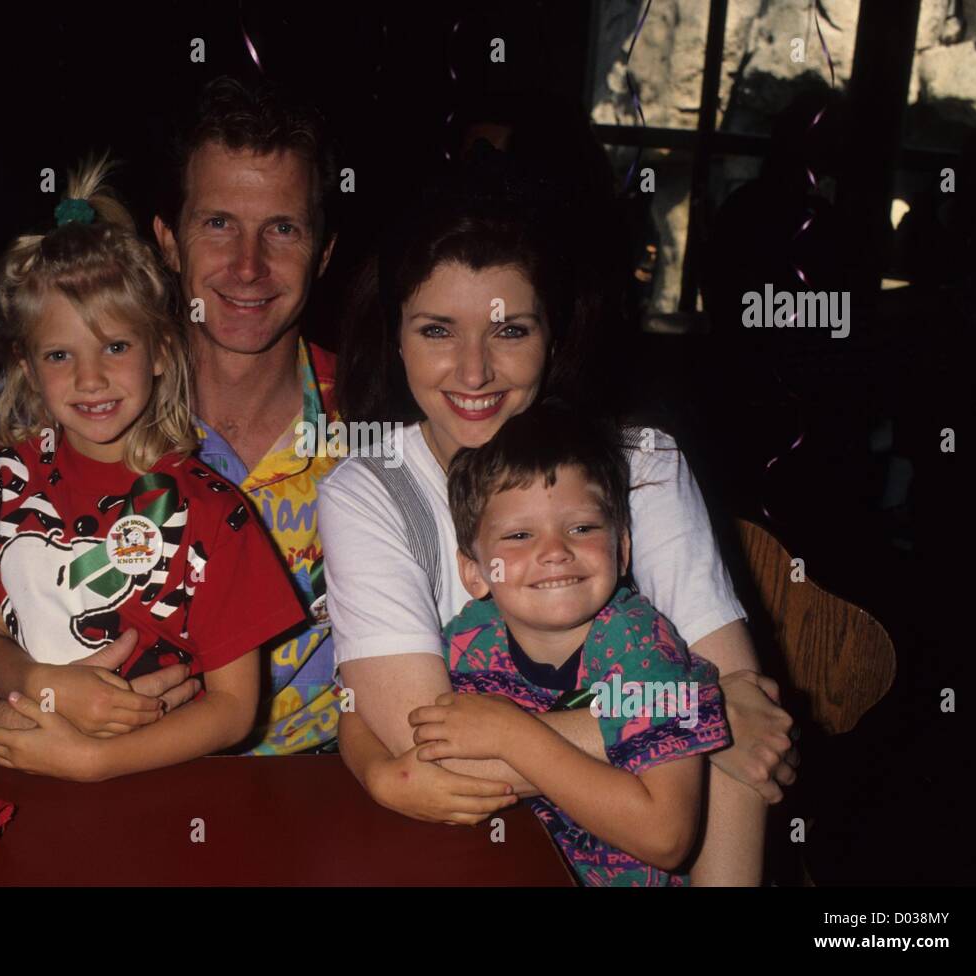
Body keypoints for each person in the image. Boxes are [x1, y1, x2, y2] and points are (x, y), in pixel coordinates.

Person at [321, 185, 797, 885]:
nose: (475, 370)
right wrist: (697, 716)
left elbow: (747, 747)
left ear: (554, 332)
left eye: (510, 329)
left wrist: (718, 717)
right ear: (393, 335)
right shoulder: (370, 489)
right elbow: (435, 749)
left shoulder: (644, 466)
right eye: (436, 330)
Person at [0, 76, 345, 757]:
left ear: (324, 253)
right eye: (218, 223)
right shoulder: (63, 428)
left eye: (282, 229)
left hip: (314, 793)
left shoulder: (383, 427)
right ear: (167, 241)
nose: (248, 267)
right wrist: (40, 723)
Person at [0, 158, 304, 781]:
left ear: (162, 353)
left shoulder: (215, 512)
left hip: (170, 793)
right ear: (28, 367)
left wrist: (97, 760)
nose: (90, 380)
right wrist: (42, 686)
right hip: (26, 779)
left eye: (116, 347)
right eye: (60, 354)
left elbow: (233, 710)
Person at [416, 400, 728, 885]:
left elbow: (667, 837)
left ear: (622, 549)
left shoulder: (643, 648)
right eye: (519, 534)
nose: (555, 551)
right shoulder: (471, 636)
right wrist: (376, 772)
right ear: (475, 572)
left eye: (582, 528)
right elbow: (365, 712)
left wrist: (515, 735)